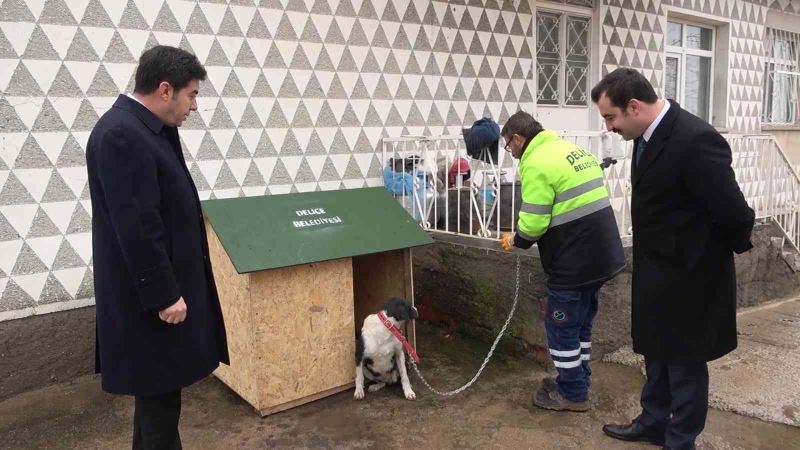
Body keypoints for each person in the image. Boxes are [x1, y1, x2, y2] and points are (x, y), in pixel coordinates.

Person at [591, 68, 755, 450]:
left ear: (634, 106)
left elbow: (733, 212)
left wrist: (706, 255)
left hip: (692, 275)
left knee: (684, 362)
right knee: (656, 353)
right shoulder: (645, 136)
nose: (608, 127)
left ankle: (680, 438)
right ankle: (652, 421)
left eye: (610, 117)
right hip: (656, 271)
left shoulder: (695, 139)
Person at [86, 45, 229, 450]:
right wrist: (165, 294)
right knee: (160, 408)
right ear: (165, 90)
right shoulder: (121, 136)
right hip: (150, 304)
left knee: (157, 401)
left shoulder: (144, 128)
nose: (194, 106)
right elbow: (137, 227)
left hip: (155, 301)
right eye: (192, 95)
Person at [499, 111, 625, 412]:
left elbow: (533, 223)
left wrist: (516, 240)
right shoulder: (571, 150)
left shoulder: (535, 162)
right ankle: (578, 380)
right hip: (602, 256)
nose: (511, 153)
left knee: (561, 327)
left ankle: (572, 393)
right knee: (580, 326)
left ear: (518, 139)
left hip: (574, 261)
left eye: (508, 146)